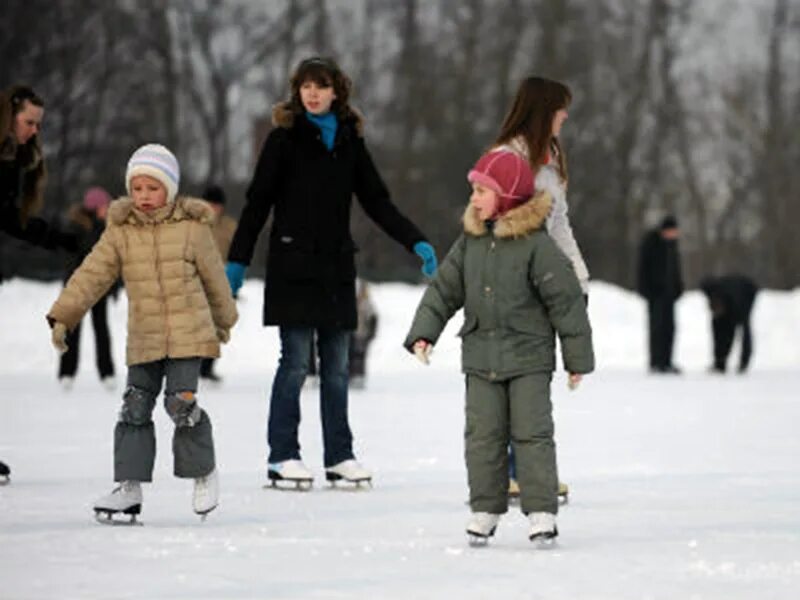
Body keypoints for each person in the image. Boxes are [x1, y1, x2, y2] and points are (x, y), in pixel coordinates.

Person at [225, 56, 437, 489]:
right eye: (305, 86)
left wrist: (415, 239)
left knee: (338, 367)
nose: (313, 93)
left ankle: (340, 456)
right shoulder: (283, 139)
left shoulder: (349, 140)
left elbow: (377, 201)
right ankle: (283, 455)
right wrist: (237, 260)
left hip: (336, 267)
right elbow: (257, 203)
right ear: (297, 91)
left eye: (321, 86)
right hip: (293, 264)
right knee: (297, 362)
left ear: (337, 91)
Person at [404, 148, 594, 546]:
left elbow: (566, 301)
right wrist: (424, 332)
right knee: (482, 437)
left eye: (481, 191)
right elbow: (443, 291)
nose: (473, 198)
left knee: (532, 435)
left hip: (529, 359)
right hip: (480, 358)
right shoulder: (470, 242)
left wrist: (576, 359)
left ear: (506, 196)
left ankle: (541, 511)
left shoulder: (536, 244)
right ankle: (485, 510)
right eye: (473, 191)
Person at [46, 144, 238, 522]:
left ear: (169, 187)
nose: (144, 197)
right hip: (145, 337)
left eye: (152, 188)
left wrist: (224, 320)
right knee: (135, 406)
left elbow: (215, 279)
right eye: (137, 189)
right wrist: (64, 315)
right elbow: (91, 275)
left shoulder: (192, 229)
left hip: (188, 333)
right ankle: (129, 488)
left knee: (180, 404)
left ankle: (203, 471)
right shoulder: (120, 231)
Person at [492, 76, 589, 501]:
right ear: (543, 110)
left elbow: (560, 224)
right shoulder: (507, 157)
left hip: (543, 283)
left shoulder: (551, 160)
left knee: (534, 380)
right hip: (510, 284)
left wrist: (577, 276)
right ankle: (513, 472)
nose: (565, 116)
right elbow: (491, 219)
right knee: (515, 380)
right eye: (560, 109)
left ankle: (527, 469)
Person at [0, 84, 77, 483]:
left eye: (38, 125)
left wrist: (59, 237)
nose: (33, 130)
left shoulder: (16, 159)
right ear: (9, 115)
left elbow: (12, 219)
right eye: (28, 122)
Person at [57, 186, 117, 391]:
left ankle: (107, 373)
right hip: (78, 288)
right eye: (104, 206)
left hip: (99, 288)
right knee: (72, 331)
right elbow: (75, 258)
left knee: (101, 329)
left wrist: (114, 287)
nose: (107, 209)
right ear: (94, 208)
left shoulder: (107, 228)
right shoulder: (76, 227)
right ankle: (67, 373)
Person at [199, 184, 238, 383]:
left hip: (222, 282)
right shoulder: (194, 224)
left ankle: (207, 367)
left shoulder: (230, 226)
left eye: (217, 205)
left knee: (217, 327)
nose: (214, 208)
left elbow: (237, 253)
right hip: (197, 282)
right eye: (210, 204)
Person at [637, 216, 684, 374]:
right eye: (672, 231)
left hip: (669, 294)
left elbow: (675, 268)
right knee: (657, 328)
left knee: (669, 328)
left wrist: (678, 287)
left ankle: (667, 361)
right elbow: (643, 268)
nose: (674, 234)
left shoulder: (672, 245)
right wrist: (646, 289)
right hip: (655, 293)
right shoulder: (651, 243)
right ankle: (656, 362)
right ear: (665, 230)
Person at [699, 274, 758, 374]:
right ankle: (720, 362)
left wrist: (743, 363)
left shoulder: (737, 303)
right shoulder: (711, 293)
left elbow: (739, 333)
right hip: (726, 295)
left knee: (741, 325)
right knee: (720, 328)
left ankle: (744, 361)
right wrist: (719, 362)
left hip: (746, 291)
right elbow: (717, 335)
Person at [349, 278, 378, 389]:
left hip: (362, 334)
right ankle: (350, 376)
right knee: (349, 356)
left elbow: (373, 319)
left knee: (359, 356)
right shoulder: (348, 303)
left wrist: (371, 334)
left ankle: (359, 376)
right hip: (349, 334)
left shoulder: (366, 304)